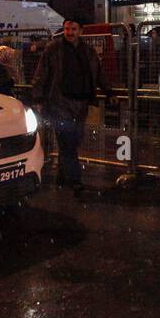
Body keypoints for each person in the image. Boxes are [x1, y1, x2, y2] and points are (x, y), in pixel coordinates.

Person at [32, 19, 109, 195]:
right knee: (68, 142)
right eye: (67, 29)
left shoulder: (88, 51)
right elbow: (41, 73)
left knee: (73, 140)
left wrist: (108, 90)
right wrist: (39, 97)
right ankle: (75, 180)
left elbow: (98, 72)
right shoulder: (53, 49)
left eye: (73, 29)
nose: (69, 32)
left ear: (81, 31)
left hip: (80, 103)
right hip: (60, 102)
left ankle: (62, 173)